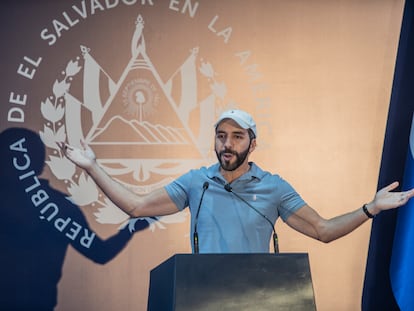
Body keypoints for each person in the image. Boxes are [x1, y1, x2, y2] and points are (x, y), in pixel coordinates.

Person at [59, 109, 414, 253]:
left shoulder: (273, 186)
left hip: (256, 297)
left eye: (237, 136)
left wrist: (370, 208)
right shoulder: (196, 182)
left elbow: (322, 230)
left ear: (252, 143)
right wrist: (91, 166)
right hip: (201, 296)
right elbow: (135, 205)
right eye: (221, 135)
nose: (227, 144)